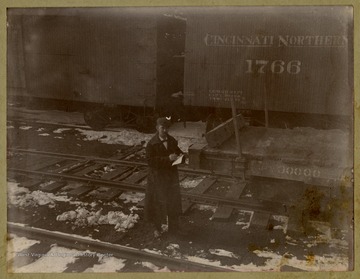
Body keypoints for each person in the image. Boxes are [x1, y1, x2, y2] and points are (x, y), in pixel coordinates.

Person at [144, 117, 185, 238]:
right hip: (158, 179)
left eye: (167, 128)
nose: (165, 130)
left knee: (173, 202)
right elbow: (150, 161)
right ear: (157, 128)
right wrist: (168, 159)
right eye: (162, 128)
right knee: (158, 204)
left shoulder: (172, 141)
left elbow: (178, 152)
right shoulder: (151, 144)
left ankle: (174, 228)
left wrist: (182, 157)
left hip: (171, 177)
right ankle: (157, 229)